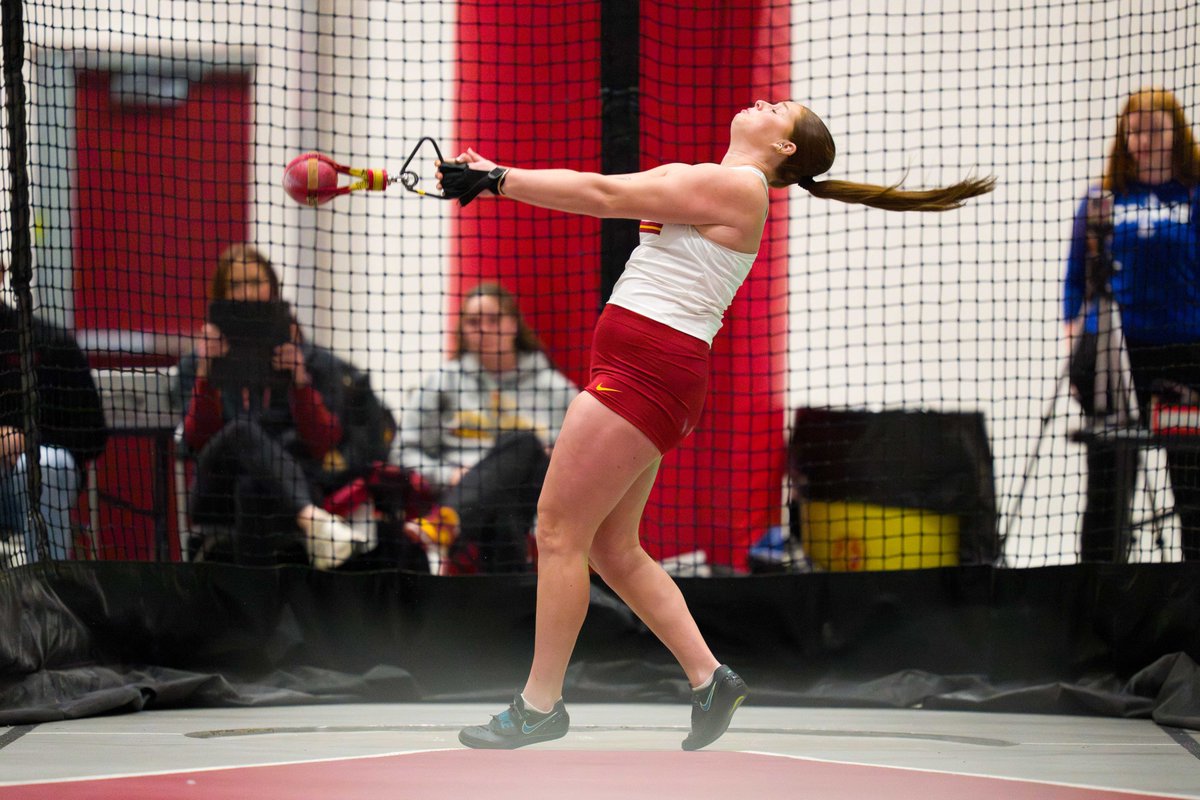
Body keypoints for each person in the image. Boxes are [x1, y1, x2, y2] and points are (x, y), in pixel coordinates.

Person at [437, 100, 995, 750]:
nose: (763, 102)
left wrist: (499, 180)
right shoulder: (717, 179)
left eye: (780, 109)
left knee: (559, 532)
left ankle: (540, 705)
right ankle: (710, 678)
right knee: (614, 548)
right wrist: (492, 173)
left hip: (644, 372)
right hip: (650, 372)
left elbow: (602, 193)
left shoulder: (735, 185)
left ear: (785, 149)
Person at [177, 244, 391, 568]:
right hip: (217, 483)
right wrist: (207, 372)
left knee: (253, 487)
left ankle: (259, 609)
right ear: (221, 295)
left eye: (255, 282)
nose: (247, 293)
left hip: (293, 480)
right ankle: (314, 521)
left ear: (273, 289)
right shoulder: (198, 360)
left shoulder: (311, 359)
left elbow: (324, 442)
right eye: (235, 285)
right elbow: (195, 438)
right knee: (241, 431)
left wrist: (300, 381)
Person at [1064, 88, 1200, 563]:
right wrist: (1074, 337)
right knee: (1107, 484)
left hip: (1184, 358)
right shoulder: (1103, 199)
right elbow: (1075, 277)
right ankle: (1098, 596)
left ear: (1176, 134)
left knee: (1191, 483)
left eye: (1155, 128)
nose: (1144, 139)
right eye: (1135, 129)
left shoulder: (1193, 195)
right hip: (1114, 359)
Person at [394, 282, 578, 573]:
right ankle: (512, 595)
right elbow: (403, 451)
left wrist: (552, 455)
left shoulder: (555, 389)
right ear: (463, 330)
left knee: (525, 444)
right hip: (463, 496)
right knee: (500, 504)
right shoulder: (442, 383)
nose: (484, 330)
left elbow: (578, 460)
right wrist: (449, 475)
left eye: (494, 320)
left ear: (514, 325)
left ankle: (442, 524)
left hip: (534, 503)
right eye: (474, 322)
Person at [0, 261, 108, 564]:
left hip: (25, 485)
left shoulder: (48, 344)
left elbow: (92, 436)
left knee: (49, 464)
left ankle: (46, 594)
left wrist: (26, 442)